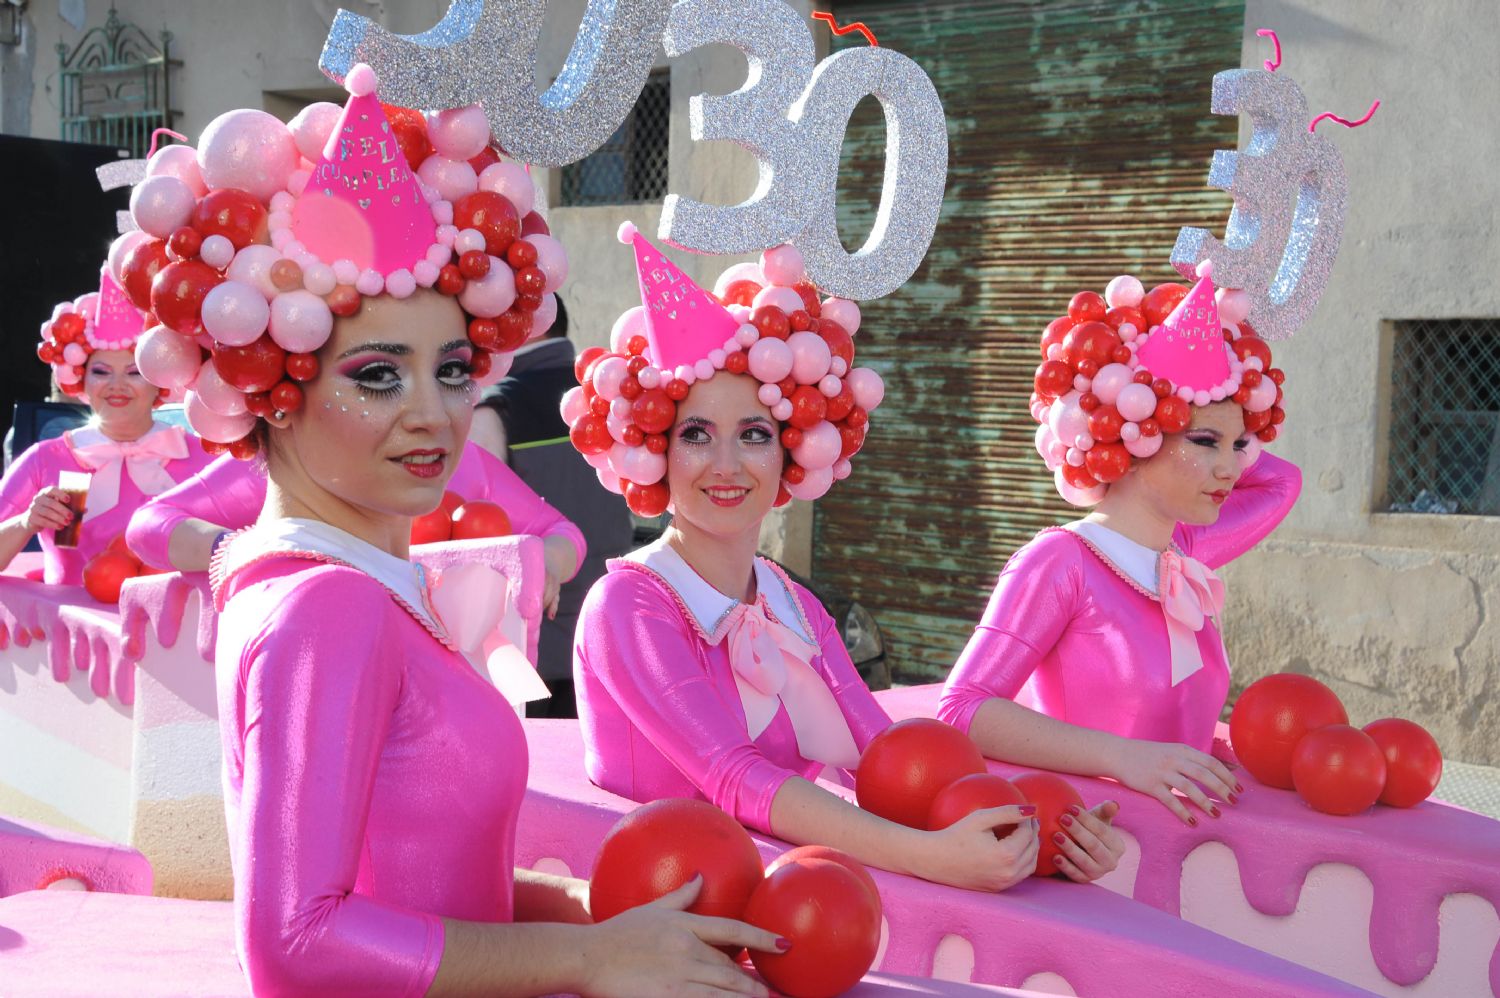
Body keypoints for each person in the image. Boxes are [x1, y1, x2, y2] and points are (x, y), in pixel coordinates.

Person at [133, 66, 778, 996]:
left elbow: (404, 879)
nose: (435, 415)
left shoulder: (345, 580)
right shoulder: (325, 607)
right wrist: (588, 957)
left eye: (454, 368)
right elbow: (295, 944)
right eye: (378, 375)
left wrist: (587, 925)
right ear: (275, 388)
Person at [568, 225, 1125, 889]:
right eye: (695, 434)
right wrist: (930, 856)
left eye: (753, 434)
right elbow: (732, 777)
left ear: (793, 449)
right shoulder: (627, 605)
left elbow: (882, 754)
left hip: (786, 893)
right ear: (655, 446)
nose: (725, 465)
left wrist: (1035, 826)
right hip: (668, 919)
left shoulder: (792, 602)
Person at [939, 271, 1302, 826]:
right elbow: (961, 710)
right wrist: (1121, 757)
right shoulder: (1060, 562)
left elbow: (1283, 482)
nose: (1231, 467)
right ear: (1138, 433)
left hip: (1197, 855)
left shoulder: (1186, 552)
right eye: (1204, 442)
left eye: (1240, 444)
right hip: (1091, 853)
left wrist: (1228, 375)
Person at [124, 439, 585, 611]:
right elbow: (149, 525)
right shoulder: (283, 459)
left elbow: (564, 533)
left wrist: (539, 564)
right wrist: (251, 549)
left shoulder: (465, 461)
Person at [470, 297, 633, 716]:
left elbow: (471, 530)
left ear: (525, 326)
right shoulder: (608, 398)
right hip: (612, 634)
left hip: (529, 647)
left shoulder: (496, 408)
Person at [0, 269, 212, 584]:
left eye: (134, 372)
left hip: (175, 630)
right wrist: (26, 523)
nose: (117, 385)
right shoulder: (47, 460)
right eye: (101, 371)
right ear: (81, 380)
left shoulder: (203, 458)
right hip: (71, 631)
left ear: (159, 381)